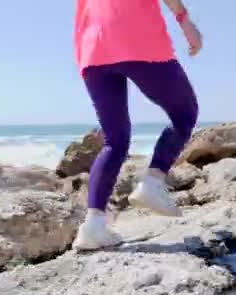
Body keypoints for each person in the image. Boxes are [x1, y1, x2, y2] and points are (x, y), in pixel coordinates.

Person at [71, 0, 203, 251]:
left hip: (92, 48)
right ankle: (153, 182)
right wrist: (184, 19)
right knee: (184, 114)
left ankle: (93, 226)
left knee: (115, 141)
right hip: (135, 35)